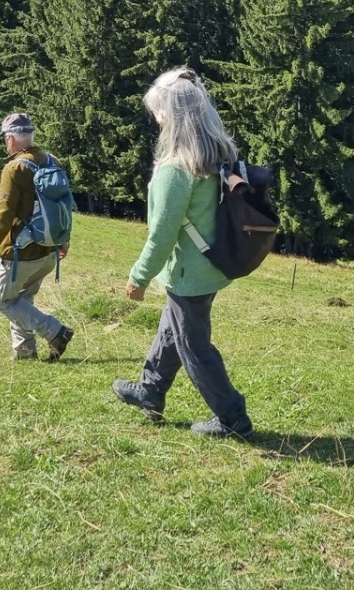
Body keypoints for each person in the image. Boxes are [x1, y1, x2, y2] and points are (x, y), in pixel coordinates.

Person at [112, 67, 254, 439]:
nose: (156, 119)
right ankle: (151, 390)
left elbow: (161, 236)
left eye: (159, 111)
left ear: (172, 116)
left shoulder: (176, 170)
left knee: (195, 348)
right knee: (173, 330)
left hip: (190, 274)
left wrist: (138, 277)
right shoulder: (215, 156)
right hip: (210, 267)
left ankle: (232, 418)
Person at [0, 112, 74, 362]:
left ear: (10, 139)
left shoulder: (14, 168)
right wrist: (63, 241)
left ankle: (55, 331)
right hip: (48, 252)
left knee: (3, 301)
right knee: (23, 300)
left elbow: (5, 212)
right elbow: (63, 205)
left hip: (20, 254)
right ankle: (24, 351)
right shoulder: (53, 161)